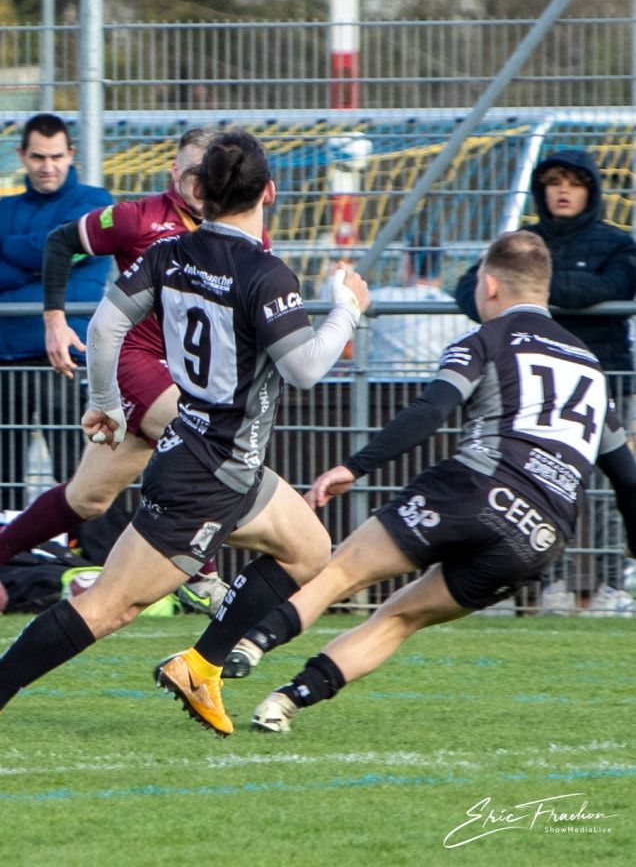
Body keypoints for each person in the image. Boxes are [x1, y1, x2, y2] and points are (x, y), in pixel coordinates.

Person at [0, 130, 370, 786]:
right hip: (207, 472)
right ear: (270, 193)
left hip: (220, 458)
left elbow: (105, 324)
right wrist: (347, 309)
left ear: (200, 190)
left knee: (309, 549)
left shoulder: (169, 252)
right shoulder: (265, 272)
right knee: (108, 607)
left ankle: (201, 666)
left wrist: (105, 401)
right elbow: (307, 368)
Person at [241, 230, 636, 733]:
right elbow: (626, 475)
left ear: (489, 285)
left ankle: (247, 646)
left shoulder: (487, 339)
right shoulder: (591, 368)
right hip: (540, 533)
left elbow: (431, 410)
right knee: (400, 618)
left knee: (342, 572)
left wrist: (355, 467)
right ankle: (282, 705)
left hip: (477, 487)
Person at [0, 128, 232, 624]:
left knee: (87, 497)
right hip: (136, 365)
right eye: (192, 172)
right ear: (174, 172)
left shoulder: (234, 228)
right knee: (197, 441)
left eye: (209, 174)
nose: (200, 183)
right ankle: (201, 575)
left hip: (189, 377)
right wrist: (54, 319)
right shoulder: (135, 217)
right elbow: (62, 241)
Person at [454, 149, 636, 616]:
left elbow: (615, 286)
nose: (563, 191)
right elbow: (468, 288)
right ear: (541, 190)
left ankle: (609, 585)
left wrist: (527, 289)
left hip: (605, 381)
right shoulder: (521, 241)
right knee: (540, 482)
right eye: (554, 182)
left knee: (611, 485)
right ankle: (547, 584)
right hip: (533, 383)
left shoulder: (617, 243)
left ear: (591, 191)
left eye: (574, 183)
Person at [0, 113, 112, 510]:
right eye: (38, 157)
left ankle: (77, 542)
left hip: (63, 358)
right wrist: (42, 262)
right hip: (3, 357)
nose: (48, 166)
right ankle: (9, 539)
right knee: (4, 474)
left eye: (56, 156)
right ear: (22, 156)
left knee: (72, 471)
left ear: (71, 154)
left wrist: (10, 250)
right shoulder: (5, 208)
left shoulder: (95, 203)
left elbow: (58, 247)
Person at [366, 243, 472, 379]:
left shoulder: (381, 298)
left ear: (407, 264)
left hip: (382, 384)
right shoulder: (456, 308)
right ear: (440, 267)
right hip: (434, 384)